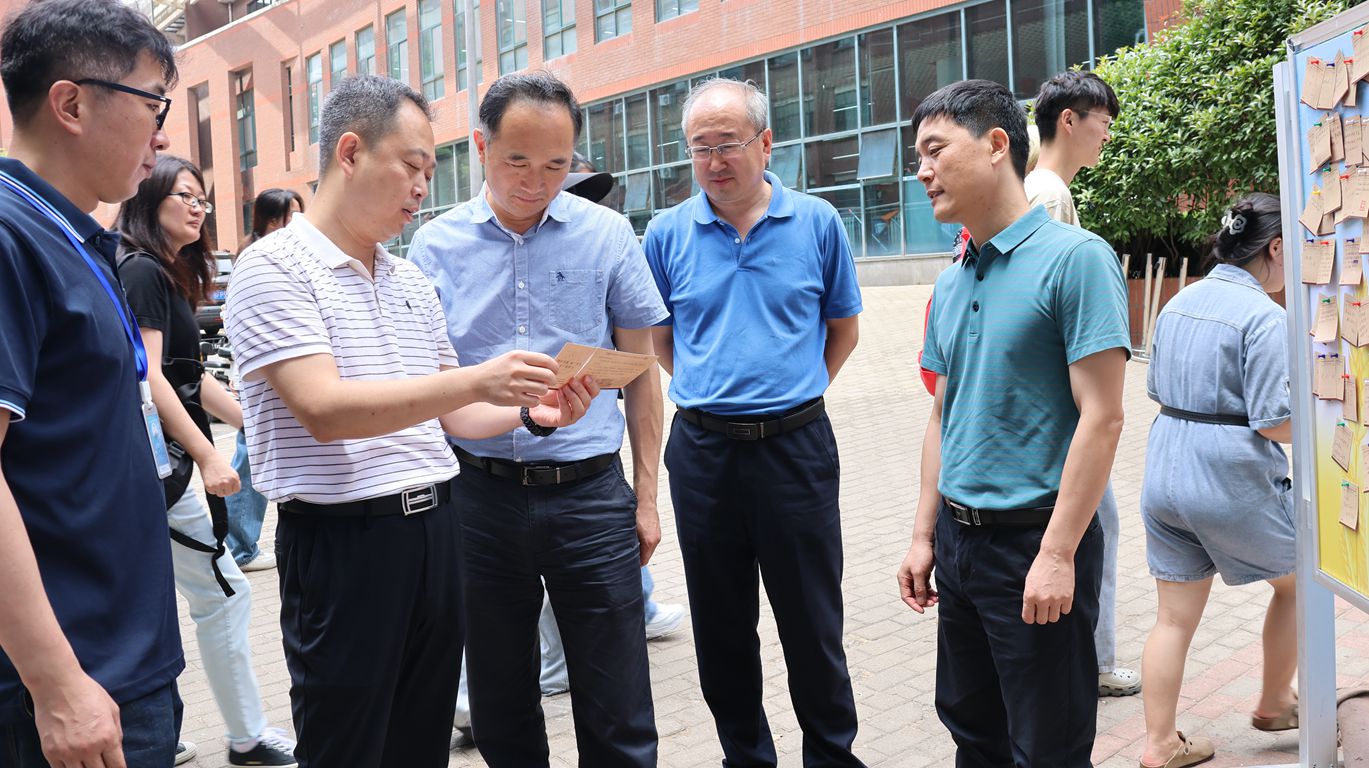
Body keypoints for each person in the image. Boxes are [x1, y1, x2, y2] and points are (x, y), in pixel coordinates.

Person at [223, 73, 597, 767]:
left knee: (420, 742)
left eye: (430, 171)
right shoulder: (274, 268)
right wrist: (476, 378)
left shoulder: (408, 280)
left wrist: (530, 413)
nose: (424, 187)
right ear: (350, 152)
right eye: (412, 165)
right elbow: (323, 409)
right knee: (348, 745)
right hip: (344, 542)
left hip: (436, 531)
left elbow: (452, 414)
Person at [408, 71, 664, 768]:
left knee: (618, 703)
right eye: (517, 160)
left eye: (555, 164)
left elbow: (642, 377)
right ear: (480, 146)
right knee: (499, 702)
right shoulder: (434, 247)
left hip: (589, 495)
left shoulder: (607, 235)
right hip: (478, 497)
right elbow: (427, 389)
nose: (536, 182)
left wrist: (645, 498)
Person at [897, 79, 1129, 767]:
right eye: (917, 156)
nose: (922, 171)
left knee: (1047, 746)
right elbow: (942, 412)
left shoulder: (1075, 259)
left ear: (997, 144)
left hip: (1035, 542)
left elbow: (1103, 417)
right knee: (973, 732)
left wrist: (1057, 554)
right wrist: (923, 535)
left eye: (935, 150)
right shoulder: (951, 279)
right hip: (958, 545)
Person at [643, 77, 866, 768]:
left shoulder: (817, 222)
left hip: (796, 450)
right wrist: (716, 389)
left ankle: (831, 757)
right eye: (699, 147)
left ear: (765, 143)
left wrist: (790, 393)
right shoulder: (666, 234)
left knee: (812, 623)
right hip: (703, 454)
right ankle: (745, 757)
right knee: (721, 628)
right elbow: (661, 340)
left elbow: (843, 330)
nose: (713, 161)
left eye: (728, 144)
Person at [0, 1, 186, 765]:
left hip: (120, 658)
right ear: (71, 104)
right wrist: (56, 684)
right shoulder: (10, 235)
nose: (163, 135)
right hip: (71, 678)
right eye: (153, 104)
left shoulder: (73, 233)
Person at [115, 155, 297, 767]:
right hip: (160, 470)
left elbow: (188, 378)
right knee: (224, 594)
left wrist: (257, 422)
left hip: (161, 469)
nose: (198, 208)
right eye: (185, 196)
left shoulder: (161, 272)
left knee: (176, 600)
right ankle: (244, 736)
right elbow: (148, 378)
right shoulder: (142, 270)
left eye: (203, 199)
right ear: (149, 200)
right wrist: (207, 455)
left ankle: (157, 730)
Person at [1137, 193, 1294, 768]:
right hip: (1228, 476)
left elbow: (1155, 389)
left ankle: (1159, 745)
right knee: (1302, 585)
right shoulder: (1265, 316)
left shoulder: (1179, 301)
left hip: (1164, 467)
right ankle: (1275, 702)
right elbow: (1273, 422)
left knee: (1172, 618)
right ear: (1275, 248)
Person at [1028, 70, 1138, 699]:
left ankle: (1089, 658)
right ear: (1068, 120)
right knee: (1093, 524)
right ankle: (1092, 662)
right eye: (1103, 122)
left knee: (1098, 523)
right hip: (1063, 409)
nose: (1107, 135)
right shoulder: (1046, 194)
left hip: (1053, 406)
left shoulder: (1040, 188)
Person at [224, 187, 306, 573]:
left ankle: (240, 545)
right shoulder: (258, 258)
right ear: (272, 220)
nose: (299, 221)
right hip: (260, 378)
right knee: (249, 459)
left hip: (264, 375)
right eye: (292, 214)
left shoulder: (276, 253)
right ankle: (240, 548)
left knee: (250, 457)